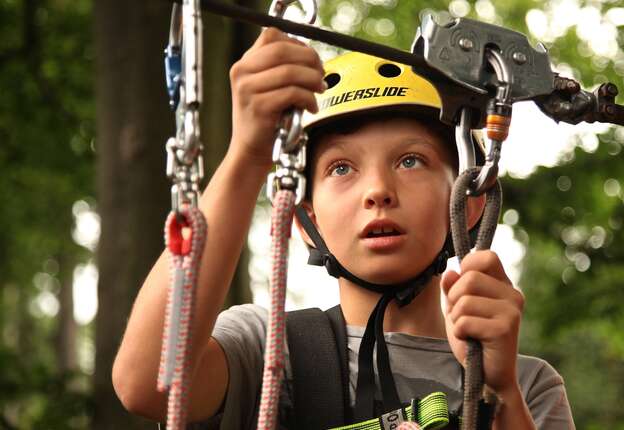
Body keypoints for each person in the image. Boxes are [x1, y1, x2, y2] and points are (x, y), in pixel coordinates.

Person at [112, 27, 575, 430]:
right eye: (340, 168)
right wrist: (248, 153)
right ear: (305, 220)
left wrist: (502, 397)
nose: (378, 190)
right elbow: (148, 384)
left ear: (467, 202)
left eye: (410, 160)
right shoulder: (268, 353)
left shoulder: (529, 386)